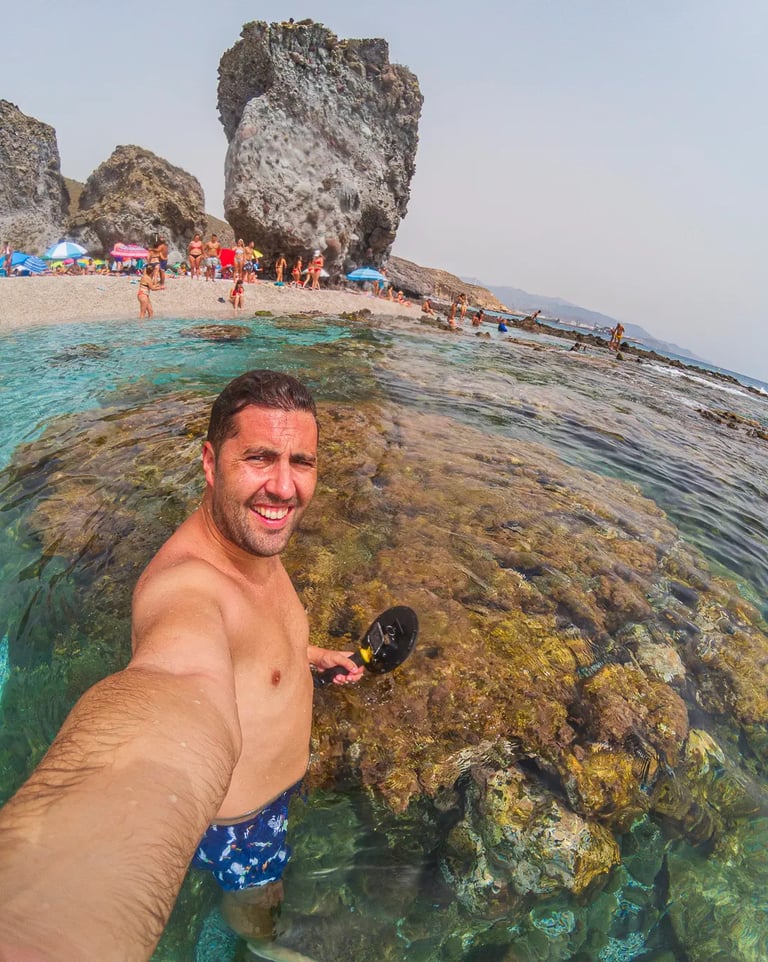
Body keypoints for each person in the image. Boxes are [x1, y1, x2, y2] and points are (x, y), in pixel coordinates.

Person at [0, 371, 364, 960]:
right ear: (210, 463)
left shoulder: (250, 540)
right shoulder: (186, 587)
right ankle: (258, 942)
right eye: (259, 458)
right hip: (242, 828)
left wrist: (306, 655)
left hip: (260, 797)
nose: (284, 487)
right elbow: (174, 686)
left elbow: (256, 633)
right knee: (260, 904)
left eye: (302, 461)